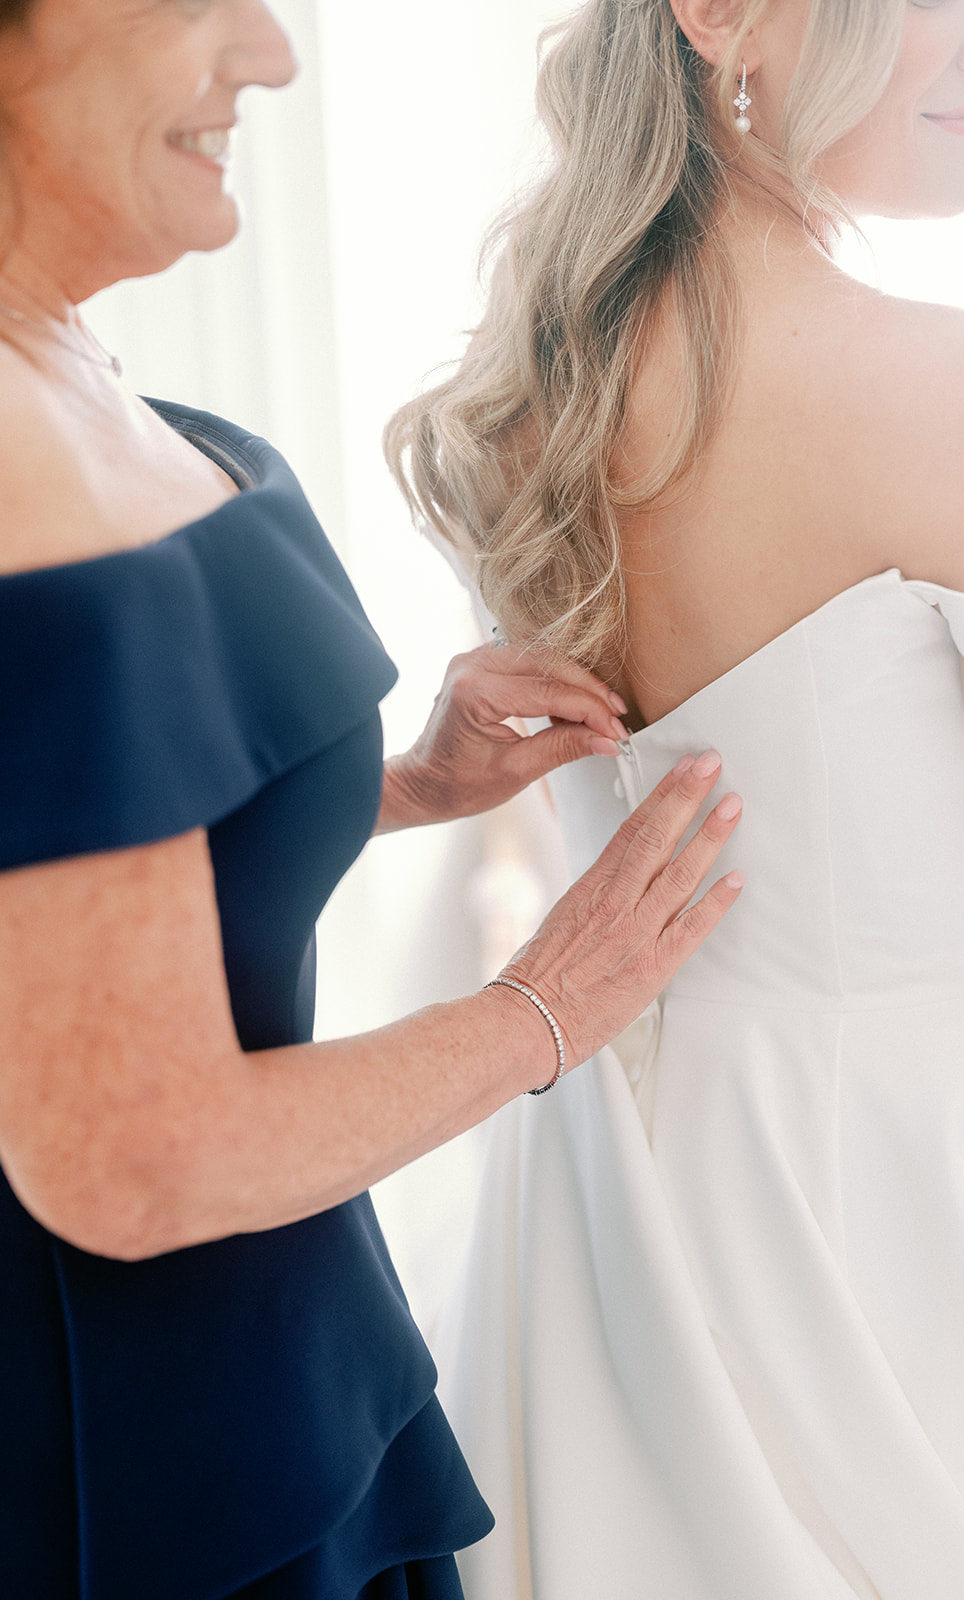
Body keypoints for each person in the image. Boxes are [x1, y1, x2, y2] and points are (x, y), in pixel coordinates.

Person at [0, 2, 749, 1597]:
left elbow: (80, 848)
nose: (268, 53)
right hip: (147, 1465)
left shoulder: (63, 353)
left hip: (281, 1370)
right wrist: (543, 1010)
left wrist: (409, 788)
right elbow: (136, 1162)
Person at [387, 0, 964, 1595]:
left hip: (605, 1196)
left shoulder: (529, 392)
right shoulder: (960, 392)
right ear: (723, 16)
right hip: (925, 1216)